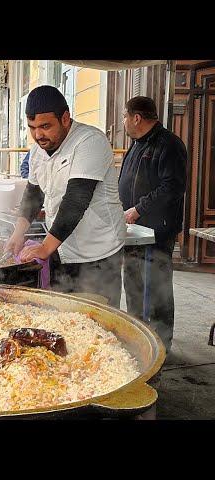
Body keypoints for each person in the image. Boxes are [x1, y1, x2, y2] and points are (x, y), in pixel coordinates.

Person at [5, 85, 126, 308]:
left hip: (97, 252)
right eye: (32, 128)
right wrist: (18, 233)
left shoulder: (90, 142)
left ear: (65, 118)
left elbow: (76, 201)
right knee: (63, 314)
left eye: (45, 126)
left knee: (98, 320)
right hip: (61, 248)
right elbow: (33, 194)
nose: (38, 135)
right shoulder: (37, 151)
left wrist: (44, 248)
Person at [118, 96, 187, 351]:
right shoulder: (136, 145)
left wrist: (138, 209)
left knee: (156, 288)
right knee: (134, 284)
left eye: (125, 116)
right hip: (133, 231)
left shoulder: (169, 144)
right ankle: (138, 337)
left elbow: (173, 187)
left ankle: (160, 345)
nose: (123, 121)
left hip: (157, 231)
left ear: (136, 117)